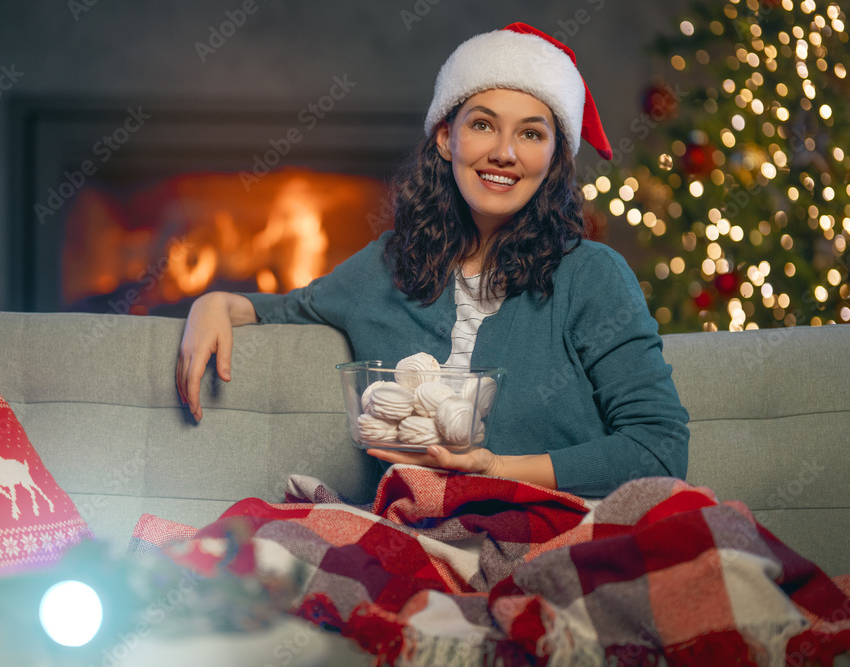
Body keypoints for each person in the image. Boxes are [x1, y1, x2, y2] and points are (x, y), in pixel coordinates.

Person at [176, 22, 690, 498]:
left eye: (531, 133)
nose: (505, 153)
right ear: (447, 137)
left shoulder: (591, 276)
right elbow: (285, 309)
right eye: (484, 125)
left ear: (555, 158)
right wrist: (215, 304)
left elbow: (659, 451)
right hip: (418, 535)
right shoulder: (384, 267)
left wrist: (495, 469)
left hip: (558, 530)